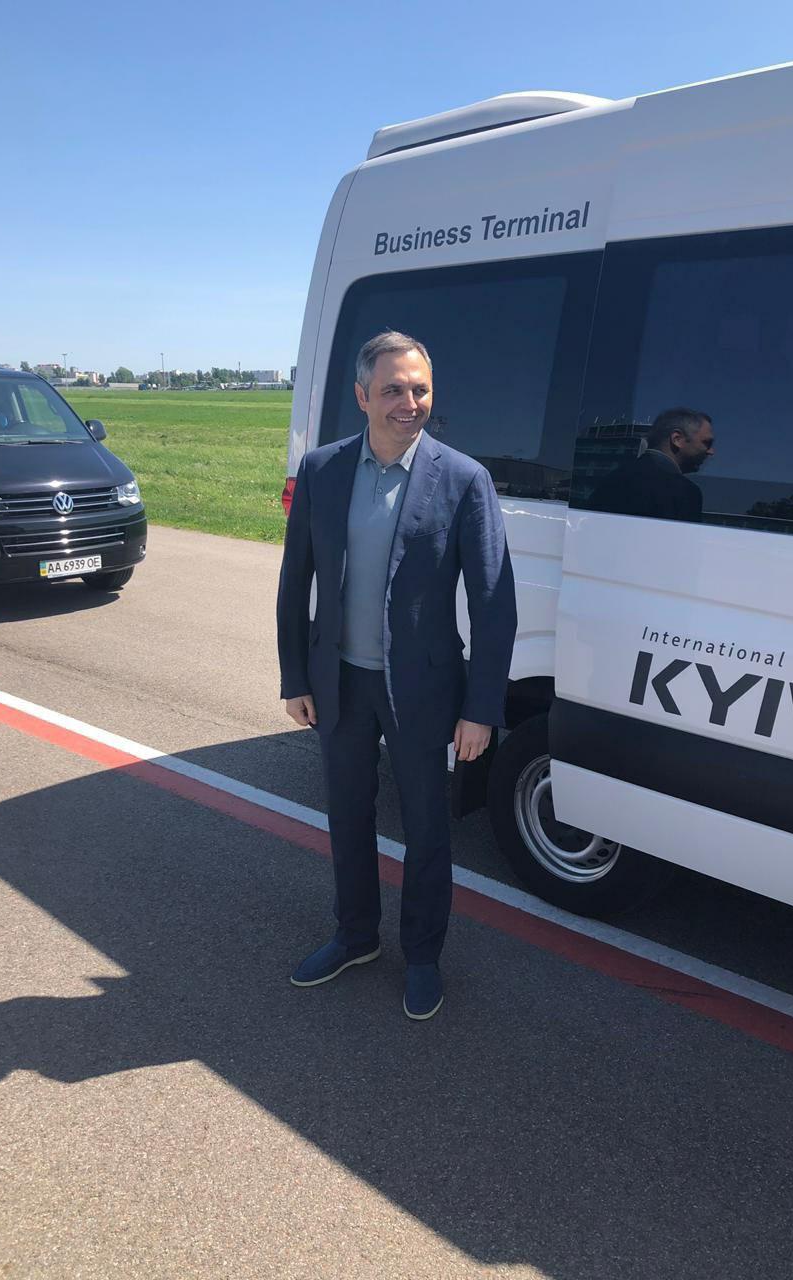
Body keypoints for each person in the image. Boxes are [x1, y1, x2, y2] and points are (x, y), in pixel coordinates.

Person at [276, 331, 517, 1020]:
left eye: (420, 389)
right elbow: (296, 583)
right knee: (347, 816)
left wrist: (481, 707)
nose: (409, 403)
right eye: (393, 390)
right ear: (362, 396)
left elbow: (494, 602)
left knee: (427, 831)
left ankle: (422, 956)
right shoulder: (322, 470)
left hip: (422, 691)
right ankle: (356, 936)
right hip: (340, 684)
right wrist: (296, 677)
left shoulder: (462, 479)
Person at [590, 407, 715, 521]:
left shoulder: (612, 478)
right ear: (677, 439)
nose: (711, 451)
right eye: (706, 443)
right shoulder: (685, 493)